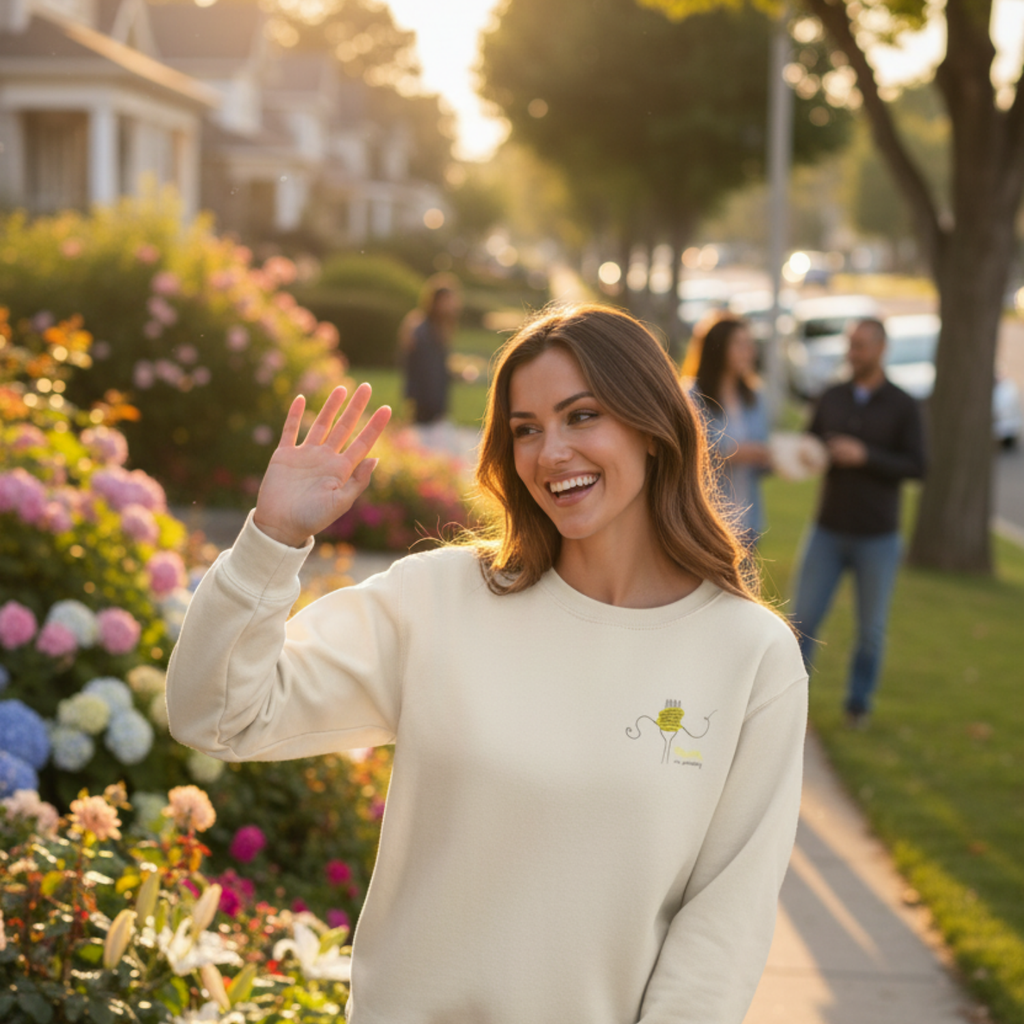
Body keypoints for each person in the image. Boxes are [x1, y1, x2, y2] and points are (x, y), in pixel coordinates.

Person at [166, 304, 808, 1024]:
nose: (550, 452)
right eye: (525, 429)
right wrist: (273, 537)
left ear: (654, 429)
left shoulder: (750, 655)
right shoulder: (436, 600)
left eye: (582, 416)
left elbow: (724, 921)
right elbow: (217, 714)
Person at [789, 317, 926, 728]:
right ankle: (791, 703)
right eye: (850, 345)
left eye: (861, 345)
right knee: (802, 622)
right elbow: (808, 443)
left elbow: (918, 466)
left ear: (882, 349)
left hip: (878, 537)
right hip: (827, 528)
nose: (853, 353)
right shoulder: (830, 396)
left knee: (871, 631)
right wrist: (809, 455)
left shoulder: (904, 404)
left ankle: (858, 705)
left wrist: (865, 455)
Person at [686, 316, 772, 546]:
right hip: (705, 524)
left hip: (747, 525)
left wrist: (776, 456)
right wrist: (732, 453)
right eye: (740, 344)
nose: (749, 351)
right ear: (718, 348)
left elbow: (762, 461)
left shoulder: (755, 397)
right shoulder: (691, 398)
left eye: (750, 344)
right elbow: (685, 456)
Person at [399, 273, 461, 441]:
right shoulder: (423, 331)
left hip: (430, 404)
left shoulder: (435, 328)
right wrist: (435, 408)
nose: (453, 305)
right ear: (437, 301)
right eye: (448, 300)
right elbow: (426, 372)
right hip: (425, 405)